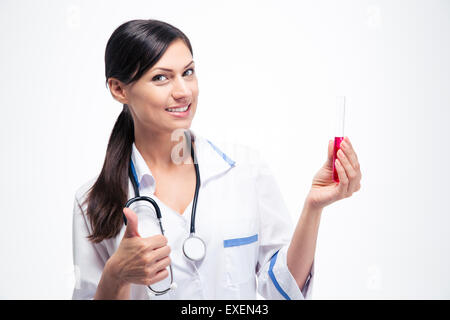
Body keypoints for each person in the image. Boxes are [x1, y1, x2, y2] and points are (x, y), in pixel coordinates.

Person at [72, 19, 362, 300]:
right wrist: (116, 275)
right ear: (119, 89)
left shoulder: (244, 171)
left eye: (188, 72)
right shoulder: (91, 202)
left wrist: (313, 207)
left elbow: (282, 291)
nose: (183, 91)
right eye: (161, 77)